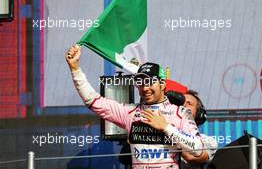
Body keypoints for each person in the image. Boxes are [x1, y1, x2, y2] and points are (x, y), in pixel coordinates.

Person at [65, 45, 204, 169]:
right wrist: (75, 69)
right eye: (140, 83)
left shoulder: (180, 113)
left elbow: (197, 149)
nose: (145, 88)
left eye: (150, 82)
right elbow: (93, 100)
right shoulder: (130, 113)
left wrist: (166, 127)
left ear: (162, 84)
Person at [144, 90, 218, 169]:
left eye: (189, 103)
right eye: (178, 103)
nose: (182, 105)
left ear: (199, 114)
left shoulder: (209, 141)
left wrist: (166, 129)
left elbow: (191, 157)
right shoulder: (156, 135)